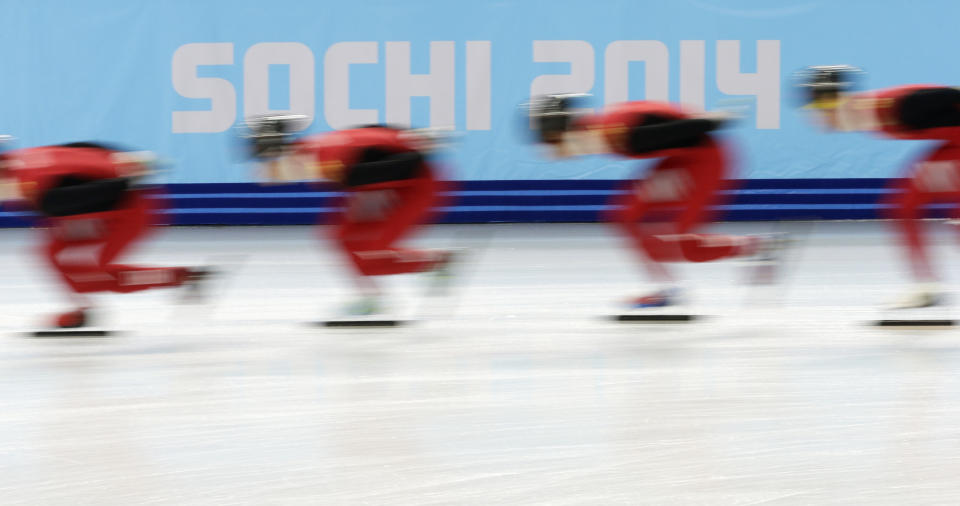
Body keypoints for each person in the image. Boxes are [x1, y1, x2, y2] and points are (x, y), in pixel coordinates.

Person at [526, 95, 784, 309]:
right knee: (625, 216)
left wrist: (712, 120)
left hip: (706, 160)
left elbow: (679, 129)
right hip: (685, 158)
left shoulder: (615, 133)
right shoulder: (602, 129)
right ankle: (666, 289)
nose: (551, 152)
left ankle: (756, 247)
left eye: (550, 141)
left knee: (680, 243)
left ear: (563, 132)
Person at [242, 117, 457, 317]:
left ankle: (436, 262)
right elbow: (374, 130)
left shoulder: (327, 163)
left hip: (416, 184)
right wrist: (411, 136)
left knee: (372, 246)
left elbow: (410, 159)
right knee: (343, 237)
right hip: (382, 181)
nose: (268, 173)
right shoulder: (309, 148)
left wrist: (413, 145)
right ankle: (372, 297)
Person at [0, 141, 211, 328]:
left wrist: (127, 178)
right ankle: (81, 310)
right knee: (53, 252)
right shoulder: (25, 157)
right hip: (102, 203)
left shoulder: (39, 193)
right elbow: (86, 147)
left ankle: (181, 276)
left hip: (129, 210)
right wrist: (127, 161)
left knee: (92, 276)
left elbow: (99, 191)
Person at [797, 65, 960, 308]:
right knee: (904, 206)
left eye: (821, 110)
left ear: (836, 104)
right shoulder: (870, 115)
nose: (819, 120)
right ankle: (926, 286)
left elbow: (951, 95)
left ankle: (926, 286)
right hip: (953, 144)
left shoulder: (896, 108)